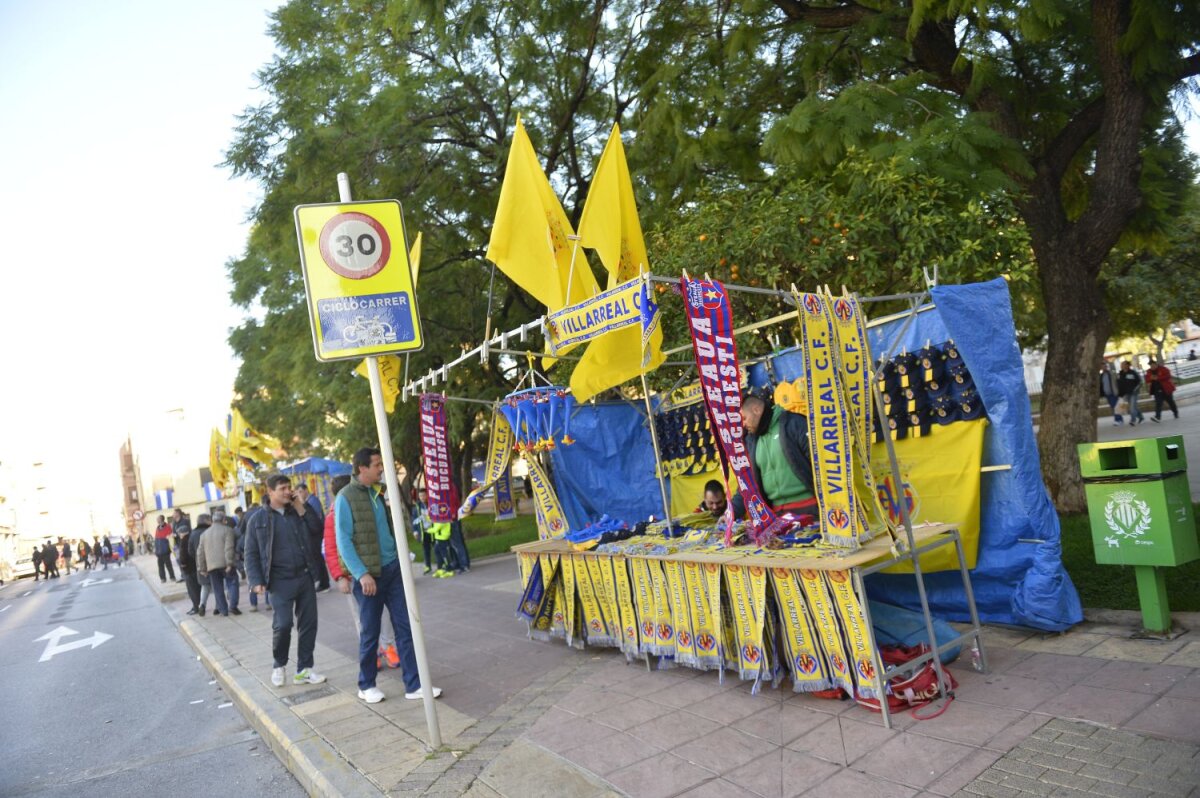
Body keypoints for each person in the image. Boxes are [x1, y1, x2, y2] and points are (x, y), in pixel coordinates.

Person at [335, 447, 440, 704]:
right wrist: (361, 574)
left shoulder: (379, 492)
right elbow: (343, 541)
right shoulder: (345, 497)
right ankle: (366, 684)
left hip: (392, 570)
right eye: (376, 464)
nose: (381, 468)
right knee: (370, 633)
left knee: (406, 627)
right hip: (369, 577)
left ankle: (414, 684)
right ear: (362, 468)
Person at [244, 474, 326, 687]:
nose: (288, 491)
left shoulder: (298, 511)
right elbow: (250, 553)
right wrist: (256, 580)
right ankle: (279, 665)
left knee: (308, 624)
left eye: (289, 487)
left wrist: (301, 508)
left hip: (304, 575)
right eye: (282, 488)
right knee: (283, 624)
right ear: (270, 492)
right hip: (279, 580)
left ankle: (304, 669)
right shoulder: (258, 520)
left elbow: (317, 530)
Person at [323, 474, 402, 671]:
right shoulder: (333, 516)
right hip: (352, 576)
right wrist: (340, 576)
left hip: (374, 570)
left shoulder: (366, 506)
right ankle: (371, 652)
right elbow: (332, 548)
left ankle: (388, 646)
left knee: (383, 614)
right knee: (362, 617)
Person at [732, 388, 817, 521]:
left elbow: (820, 463)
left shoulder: (794, 423)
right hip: (776, 516)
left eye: (744, 418)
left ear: (756, 410)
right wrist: (731, 513)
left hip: (810, 509)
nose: (743, 424)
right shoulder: (751, 441)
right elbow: (746, 483)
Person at [198, 509, 238, 617]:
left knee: (217, 588)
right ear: (223, 519)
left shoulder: (204, 534)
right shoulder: (228, 530)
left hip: (212, 566)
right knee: (232, 583)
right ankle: (233, 606)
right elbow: (229, 548)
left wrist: (202, 568)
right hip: (225, 564)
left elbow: (200, 553)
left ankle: (224, 610)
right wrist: (229, 563)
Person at [237, 495, 271, 612]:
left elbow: (240, 530)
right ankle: (268, 602)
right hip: (264, 546)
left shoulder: (247, 515)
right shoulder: (266, 514)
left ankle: (253, 604)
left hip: (251, 544)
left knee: (252, 574)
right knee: (267, 573)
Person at [296, 484, 331, 592]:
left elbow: (315, 520)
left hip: (315, 536)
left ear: (306, 490)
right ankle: (322, 582)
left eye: (300, 491)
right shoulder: (306, 503)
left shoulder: (311, 502)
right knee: (316, 559)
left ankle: (324, 583)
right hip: (312, 535)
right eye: (298, 493)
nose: (299, 495)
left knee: (317, 559)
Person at [177, 517, 204, 615]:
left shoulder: (184, 541)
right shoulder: (192, 538)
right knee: (198, 588)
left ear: (182, 533)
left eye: (179, 533)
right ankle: (199, 605)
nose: (179, 535)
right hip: (195, 567)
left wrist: (183, 565)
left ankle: (196, 607)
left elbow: (183, 556)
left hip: (188, 569)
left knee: (192, 590)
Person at [1115, 360, 1144, 426]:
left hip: (1133, 393)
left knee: (1132, 407)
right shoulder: (1120, 374)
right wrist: (1120, 394)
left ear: (1127, 365)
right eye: (1121, 364)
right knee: (1133, 407)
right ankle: (1141, 417)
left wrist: (1135, 390)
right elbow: (1119, 384)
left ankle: (1133, 420)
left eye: (1123, 364)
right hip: (1125, 393)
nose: (1121, 366)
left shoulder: (1133, 373)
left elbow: (1140, 382)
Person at [154, 515, 179, 583]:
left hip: (165, 550)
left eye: (158, 519)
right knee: (160, 566)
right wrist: (156, 550)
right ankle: (163, 578)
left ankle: (172, 577)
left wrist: (168, 549)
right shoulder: (157, 528)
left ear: (161, 519)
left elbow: (170, 538)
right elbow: (156, 540)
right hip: (159, 551)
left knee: (168, 565)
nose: (157, 520)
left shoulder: (167, 526)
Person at [1099, 361, 1122, 425]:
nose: (1103, 368)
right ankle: (1120, 419)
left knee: (1115, 406)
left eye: (1104, 366)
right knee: (1113, 406)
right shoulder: (1101, 375)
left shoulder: (1111, 374)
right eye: (1102, 367)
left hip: (1113, 393)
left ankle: (1117, 420)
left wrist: (1118, 391)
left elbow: (1116, 382)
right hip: (1107, 394)